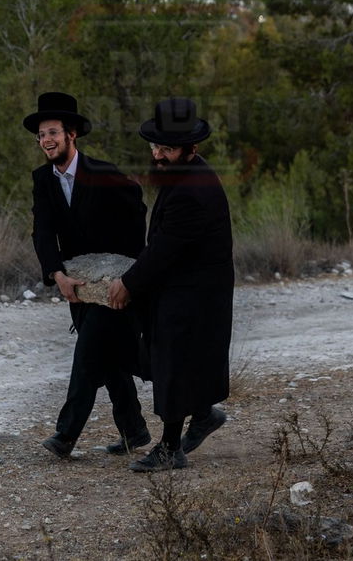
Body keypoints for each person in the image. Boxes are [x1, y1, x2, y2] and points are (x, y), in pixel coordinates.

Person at [107, 97, 233, 472]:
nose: (158, 154)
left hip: (195, 292)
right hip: (185, 285)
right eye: (155, 146)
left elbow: (163, 249)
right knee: (170, 360)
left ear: (191, 149)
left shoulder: (192, 191)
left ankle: (168, 449)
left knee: (175, 363)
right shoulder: (182, 174)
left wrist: (127, 284)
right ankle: (205, 416)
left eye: (167, 148)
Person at [26, 91, 151, 460]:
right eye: (41, 135)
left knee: (87, 353)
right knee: (113, 357)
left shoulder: (103, 173)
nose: (46, 140)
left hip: (110, 286)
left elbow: (136, 205)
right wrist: (56, 274)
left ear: (71, 135)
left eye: (52, 132)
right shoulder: (42, 179)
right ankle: (135, 429)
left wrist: (124, 269)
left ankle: (65, 435)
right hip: (77, 285)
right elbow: (43, 232)